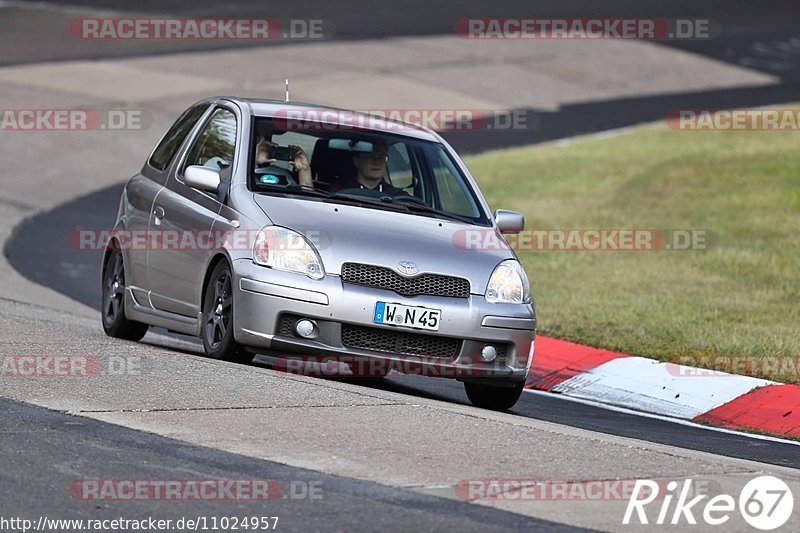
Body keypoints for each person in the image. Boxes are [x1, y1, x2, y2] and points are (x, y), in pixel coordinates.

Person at [329, 139, 408, 195]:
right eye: (370, 157)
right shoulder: (340, 192)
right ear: (356, 161)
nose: (376, 162)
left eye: (381, 158)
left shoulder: (397, 196)